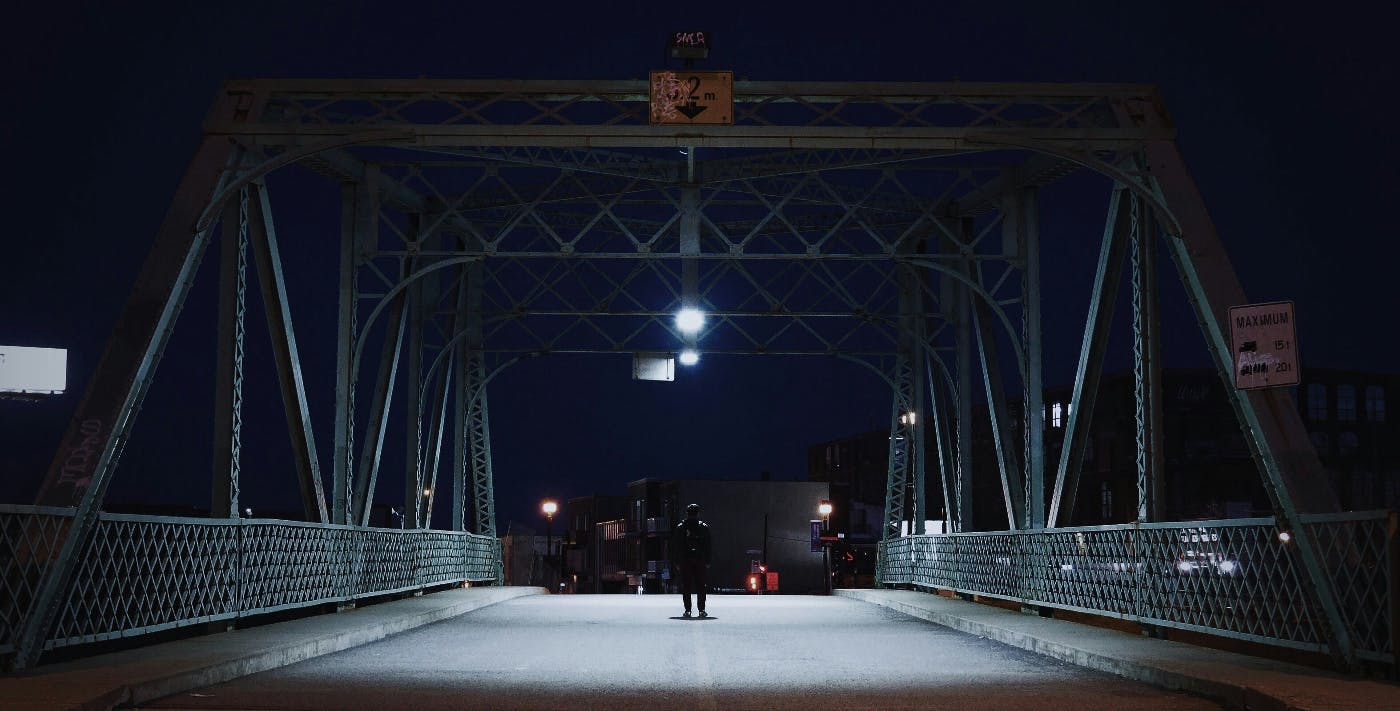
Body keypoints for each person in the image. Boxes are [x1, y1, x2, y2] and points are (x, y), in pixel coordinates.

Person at [673, 503, 711, 618]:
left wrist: (676, 562)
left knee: (686, 586)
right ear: (698, 513)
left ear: (687, 513)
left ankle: (688, 610)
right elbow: (708, 545)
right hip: (700, 560)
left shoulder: (680, 527)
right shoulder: (704, 527)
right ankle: (701, 610)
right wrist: (708, 560)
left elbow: (676, 546)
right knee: (701, 586)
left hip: (685, 560)